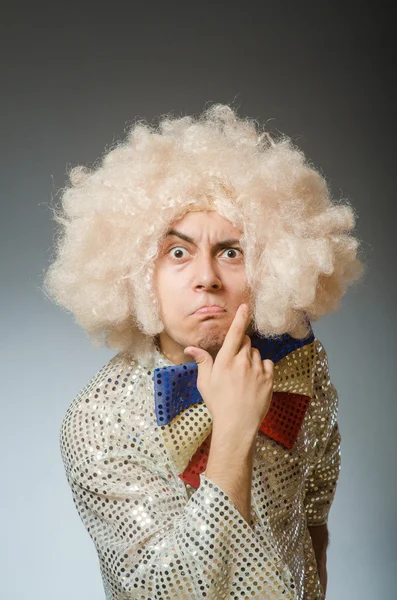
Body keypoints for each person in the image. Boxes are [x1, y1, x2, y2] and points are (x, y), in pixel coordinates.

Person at [42, 103, 365, 599]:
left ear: (267, 266)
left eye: (231, 252)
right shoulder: (99, 420)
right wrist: (233, 435)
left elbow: (315, 503)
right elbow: (168, 593)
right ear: (134, 273)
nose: (208, 278)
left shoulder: (299, 365)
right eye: (177, 252)